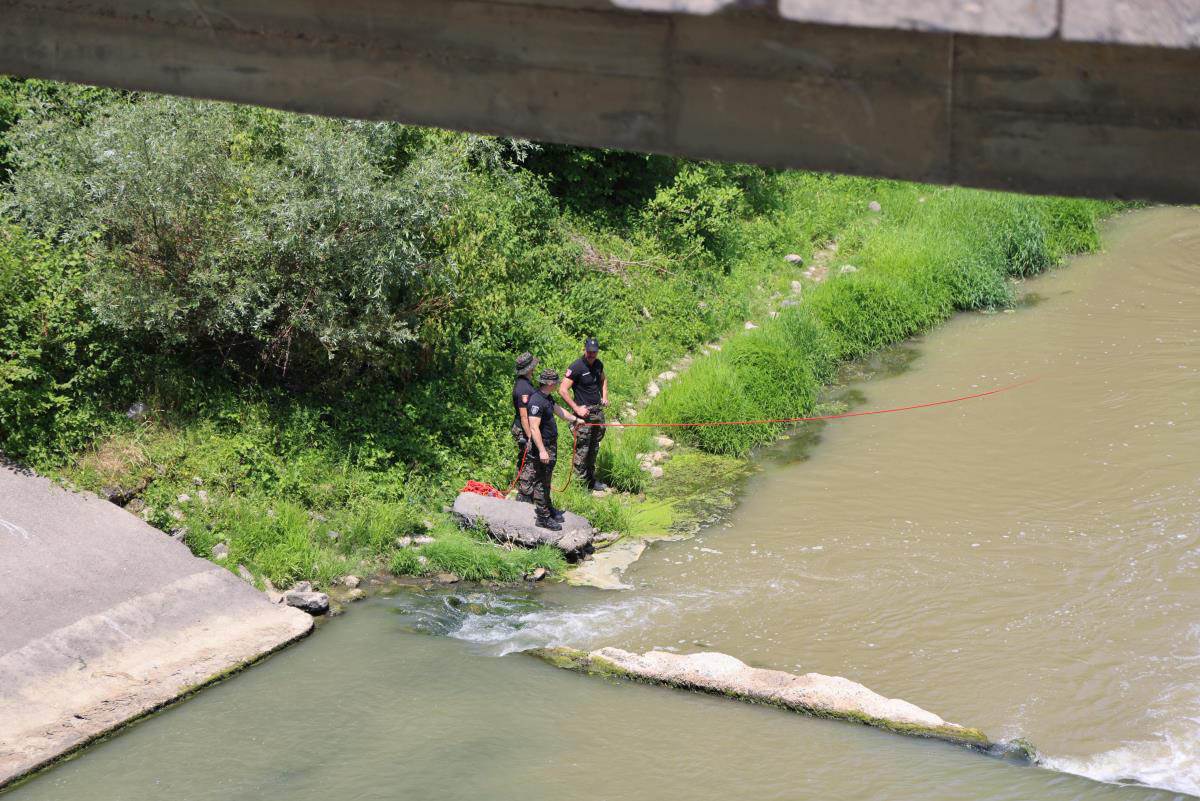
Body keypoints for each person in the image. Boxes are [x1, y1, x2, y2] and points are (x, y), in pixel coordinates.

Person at [527, 368, 584, 531]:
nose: (557, 385)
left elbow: (559, 411)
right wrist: (542, 450)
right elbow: (533, 428)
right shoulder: (536, 401)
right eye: (556, 382)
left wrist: (575, 419)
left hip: (551, 444)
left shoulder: (547, 398)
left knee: (547, 480)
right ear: (550, 383)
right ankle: (542, 517)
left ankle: (548, 507)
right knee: (541, 480)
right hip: (543, 446)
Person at [560, 337, 609, 491]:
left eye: (594, 352)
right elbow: (562, 390)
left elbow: (603, 379)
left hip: (597, 412)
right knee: (583, 449)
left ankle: (591, 482)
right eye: (589, 352)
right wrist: (577, 408)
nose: (591, 355)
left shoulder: (598, 364)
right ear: (584, 350)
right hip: (583, 415)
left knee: (594, 447)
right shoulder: (576, 367)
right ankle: (580, 487)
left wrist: (605, 397)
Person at [511, 352, 539, 503]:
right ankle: (524, 494)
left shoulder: (526, 383)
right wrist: (530, 436)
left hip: (525, 427)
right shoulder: (522, 388)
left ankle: (523, 487)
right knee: (529, 459)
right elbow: (523, 416)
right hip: (524, 428)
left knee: (524, 457)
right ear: (529, 369)